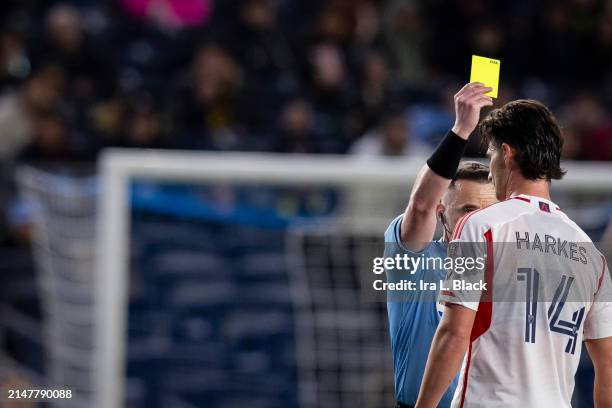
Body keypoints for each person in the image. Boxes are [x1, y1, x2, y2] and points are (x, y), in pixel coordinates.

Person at [416, 99, 612, 407]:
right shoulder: (590, 254)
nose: (490, 170)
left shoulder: (481, 225)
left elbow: (453, 336)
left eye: (491, 153)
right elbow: (608, 367)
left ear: (507, 154)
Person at [384, 82, 496, 408]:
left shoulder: (509, 267)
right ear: (441, 213)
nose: (481, 222)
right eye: (469, 210)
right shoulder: (415, 259)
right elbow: (419, 205)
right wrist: (462, 130)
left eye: (490, 212)